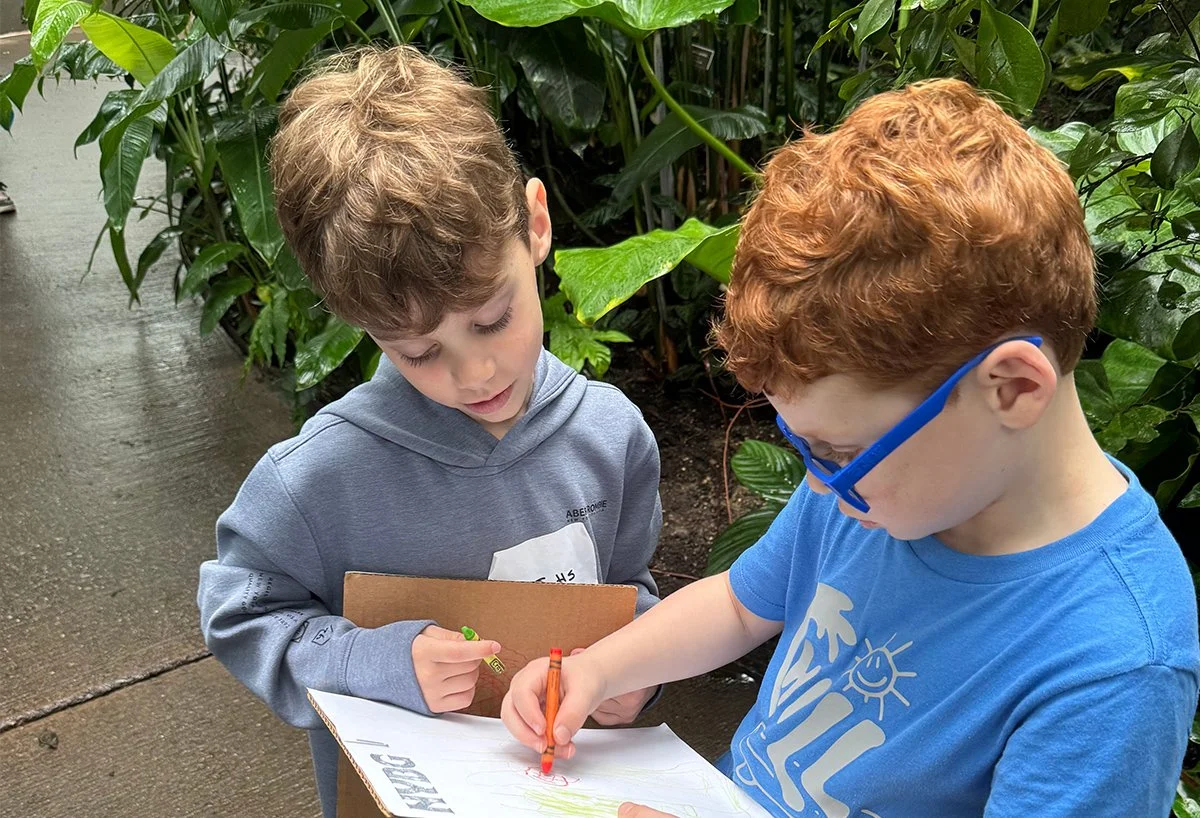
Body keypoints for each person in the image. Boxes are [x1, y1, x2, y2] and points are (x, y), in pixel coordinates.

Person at [502, 79, 1200, 817]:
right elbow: (742, 608)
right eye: (803, 447)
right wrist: (598, 669)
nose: (823, 484)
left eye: (840, 453)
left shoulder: (1111, 666)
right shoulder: (867, 485)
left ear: (1013, 389)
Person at [197, 46, 662, 818]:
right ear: (361, 325)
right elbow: (241, 610)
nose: (475, 373)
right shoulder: (317, 479)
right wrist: (366, 660)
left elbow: (631, 596)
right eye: (418, 351)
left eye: (493, 318)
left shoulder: (612, 437)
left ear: (536, 224)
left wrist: (635, 673)